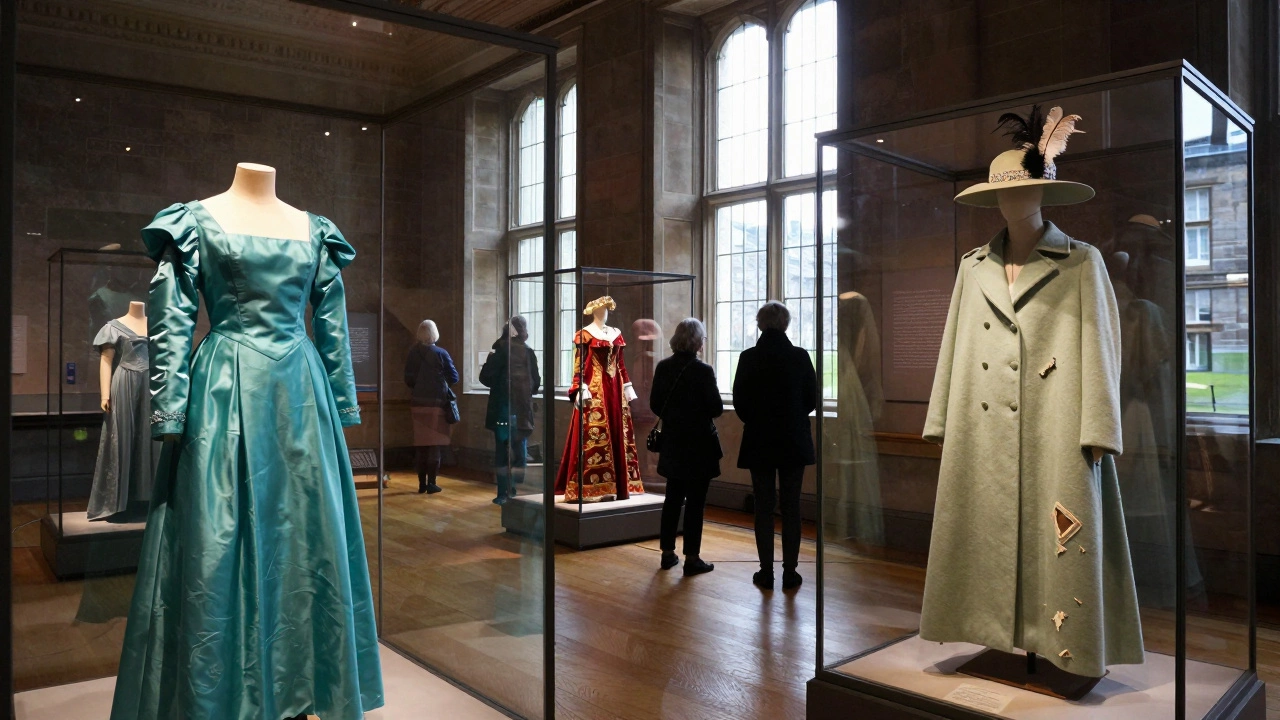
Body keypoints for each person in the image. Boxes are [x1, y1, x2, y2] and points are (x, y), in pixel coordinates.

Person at [733, 301, 817, 592]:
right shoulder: (800, 356)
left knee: (763, 506)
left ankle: (765, 571)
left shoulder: (748, 357)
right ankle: (790, 572)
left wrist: (759, 421)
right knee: (791, 506)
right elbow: (811, 400)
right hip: (793, 438)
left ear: (760, 324)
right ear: (786, 325)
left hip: (760, 438)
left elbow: (740, 402)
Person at [650, 318, 723, 577]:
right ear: (697, 342)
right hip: (699, 444)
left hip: (673, 441)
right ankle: (692, 557)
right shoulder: (703, 371)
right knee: (695, 504)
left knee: (672, 499)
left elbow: (656, 404)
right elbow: (716, 408)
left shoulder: (663, 367)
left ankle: (667, 553)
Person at [480, 316, 541, 505]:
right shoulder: (528, 351)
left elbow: (486, 378)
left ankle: (503, 492)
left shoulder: (500, 351)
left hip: (503, 407)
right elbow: (536, 382)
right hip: (521, 408)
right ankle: (514, 489)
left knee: (502, 450)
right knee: (519, 449)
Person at [404, 319, 458, 494]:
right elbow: (454, 377)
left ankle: (421, 484)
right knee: (435, 443)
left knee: (421, 444)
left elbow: (408, 379)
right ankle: (432, 483)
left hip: (418, 403)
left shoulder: (413, 353)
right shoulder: (441, 353)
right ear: (434, 333)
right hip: (437, 404)